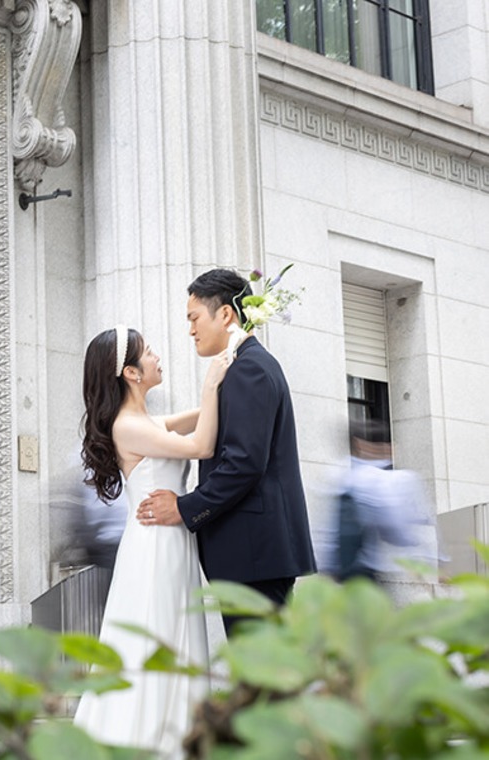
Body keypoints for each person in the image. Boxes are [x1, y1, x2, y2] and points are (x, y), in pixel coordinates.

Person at [73, 325, 229, 757]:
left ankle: (177, 736)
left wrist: (229, 378)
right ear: (131, 372)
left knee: (173, 638)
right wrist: (211, 381)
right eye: (150, 353)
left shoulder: (144, 421)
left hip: (171, 544)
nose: (159, 356)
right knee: (154, 639)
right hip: (153, 550)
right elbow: (201, 445)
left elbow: (196, 417)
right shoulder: (128, 426)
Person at [138, 269, 317, 633]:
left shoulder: (248, 369)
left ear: (225, 314)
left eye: (194, 318)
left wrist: (184, 507)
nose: (190, 330)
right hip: (256, 554)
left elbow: (245, 463)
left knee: (263, 673)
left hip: (254, 554)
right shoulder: (245, 366)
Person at [334, 419, 429, 582]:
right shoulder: (376, 478)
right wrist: (415, 543)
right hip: (364, 570)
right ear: (361, 445)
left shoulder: (342, 476)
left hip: (342, 571)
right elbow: (393, 526)